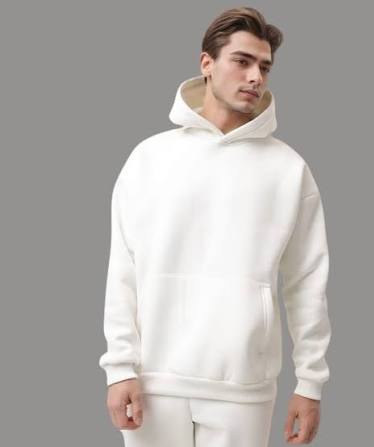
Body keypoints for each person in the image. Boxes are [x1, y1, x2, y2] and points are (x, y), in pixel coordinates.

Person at [98, 6, 332, 446]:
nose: (255, 77)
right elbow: (123, 270)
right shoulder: (149, 159)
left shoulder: (288, 169)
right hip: (154, 381)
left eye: (264, 67)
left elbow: (306, 281)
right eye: (242, 61)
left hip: (243, 386)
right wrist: (119, 367)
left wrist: (310, 383)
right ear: (207, 63)